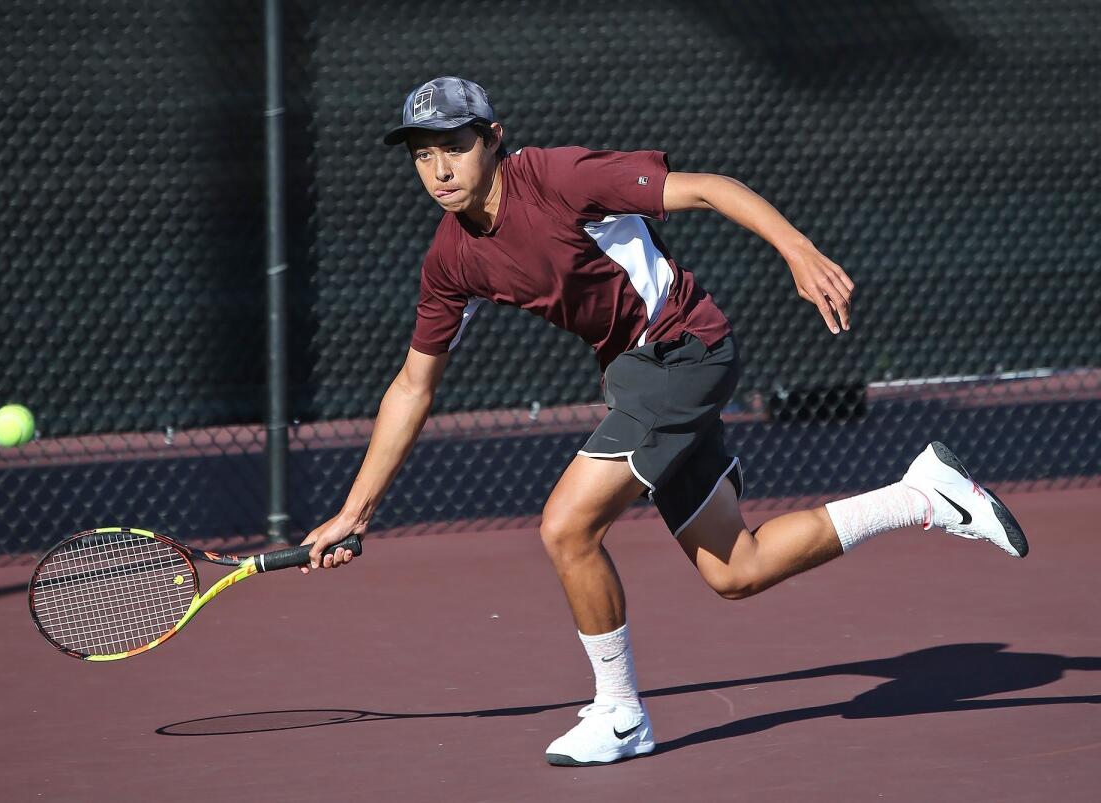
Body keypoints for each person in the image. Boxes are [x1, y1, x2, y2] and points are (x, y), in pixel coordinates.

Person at [297, 76, 1029, 766]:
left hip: (684, 353)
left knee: (565, 526)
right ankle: (927, 495)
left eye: (454, 145)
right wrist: (353, 512)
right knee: (738, 568)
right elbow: (411, 386)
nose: (439, 169)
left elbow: (710, 189)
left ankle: (620, 713)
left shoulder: (557, 177)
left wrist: (798, 251)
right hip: (637, 377)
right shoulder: (450, 258)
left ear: (493, 138)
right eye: (423, 154)